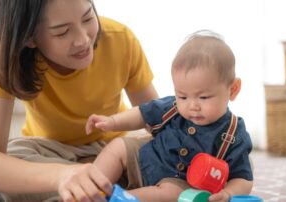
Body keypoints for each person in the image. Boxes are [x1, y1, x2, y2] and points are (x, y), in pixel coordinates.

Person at [0, 0, 158, 201]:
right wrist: (61, 176)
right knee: (13, 158)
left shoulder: (119, 38)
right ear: (29, 38)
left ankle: (92, 184)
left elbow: (160, 121)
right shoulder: (5, 59)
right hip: (50, 153)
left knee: (153, 150)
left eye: (88, 18)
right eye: (61, 32)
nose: (82, 40)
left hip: (115, 148)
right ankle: (103, 185)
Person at [86, 30, 253, 202]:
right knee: (119, 146)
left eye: (203, 97)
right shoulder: (171, 107)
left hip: (178, 182)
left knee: (171, 195)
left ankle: (116, 199)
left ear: (232, 90)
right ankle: (91, 188)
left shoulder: (233, 134)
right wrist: (113, 122)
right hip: (145, 156)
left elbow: (243, 178)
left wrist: (228, 193)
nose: (192, 106)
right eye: (182, 96)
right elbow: (142, 113)